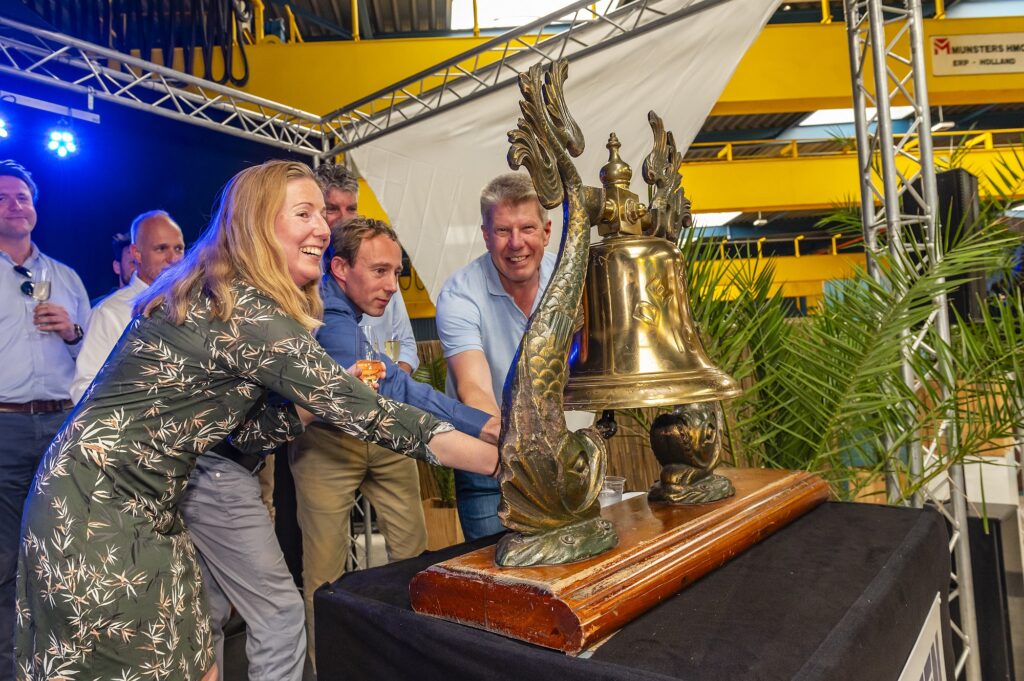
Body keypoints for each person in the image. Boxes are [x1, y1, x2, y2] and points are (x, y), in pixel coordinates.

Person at [15, 160, 498, 680]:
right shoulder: (245, 308)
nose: (321, 228)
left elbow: (237, 430)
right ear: (257, 224)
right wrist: (504, 461)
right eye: (304, 213)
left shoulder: (224, 293)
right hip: (101, 510)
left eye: (323, 213)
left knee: (199, 661)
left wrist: (307, 406)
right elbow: (377, 416)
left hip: (139, 502)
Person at [290, 217, 499, 663]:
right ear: (340, 268)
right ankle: (330, 670)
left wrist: (479, 425)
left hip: (384, 438)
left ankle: (414, 662)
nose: (392, 285)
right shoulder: (327, 310)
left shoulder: (354, 308)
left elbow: (387, 378)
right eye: (380, 271)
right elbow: (390, 387)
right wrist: (480, 425)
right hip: (327, 444)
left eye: (396, 272)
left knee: (415, 559)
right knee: (324, 576)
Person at [0, 159, 88, 681]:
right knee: (8, 557)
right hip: (4, 427)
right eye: (5, 197)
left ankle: (63, 660)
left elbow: (94, 362)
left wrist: (73, 331)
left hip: (60, 425)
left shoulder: (67, 276)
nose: (16, 205)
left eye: (23, 197)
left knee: (62, 547)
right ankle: (12, 666)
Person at [435, 172, 556, 540]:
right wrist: (520, 447)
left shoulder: (568, 278)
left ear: (547, 232)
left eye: (527, 228)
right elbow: (473, 387)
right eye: (503, 231)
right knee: (495, 566)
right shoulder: (460, 294)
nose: (516, 243)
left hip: (559, 445)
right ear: (486, 235)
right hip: (488, 452)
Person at [313, 163, 421, 373]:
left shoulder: (385, 274)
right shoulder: (305, 274)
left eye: (351, 208)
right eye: (332, 209)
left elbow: (406, 344)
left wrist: (395, 388)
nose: (344, 218)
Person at [71, 210, 185, 402]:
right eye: (161, 249)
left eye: (179, 249)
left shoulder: (196, 304)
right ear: (136, 254)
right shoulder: (109, 313)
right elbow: (84, 389)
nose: (173, 259)